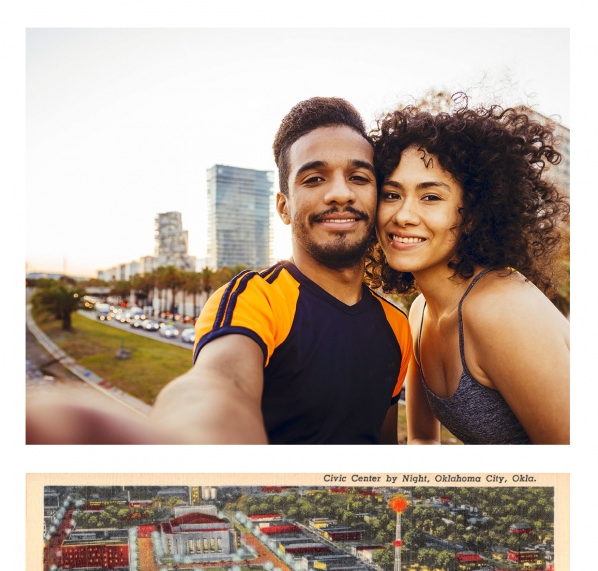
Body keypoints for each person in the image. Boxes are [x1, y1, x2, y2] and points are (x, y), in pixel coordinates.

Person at [26, 97, 412, 445]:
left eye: (359, 177)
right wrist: (189, 443)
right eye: (314, 178)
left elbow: (380, 441)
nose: (340, 193)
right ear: (283, 207)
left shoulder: (398, 325)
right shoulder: (252, 299)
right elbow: (219, 383)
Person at [365, 99, 570, 445]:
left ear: (472, 214)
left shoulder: (503, 308)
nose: (403, 216)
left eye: (430, 197)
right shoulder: (420, 313)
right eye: (391, 194)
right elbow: (423, 443)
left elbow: (575, 470)